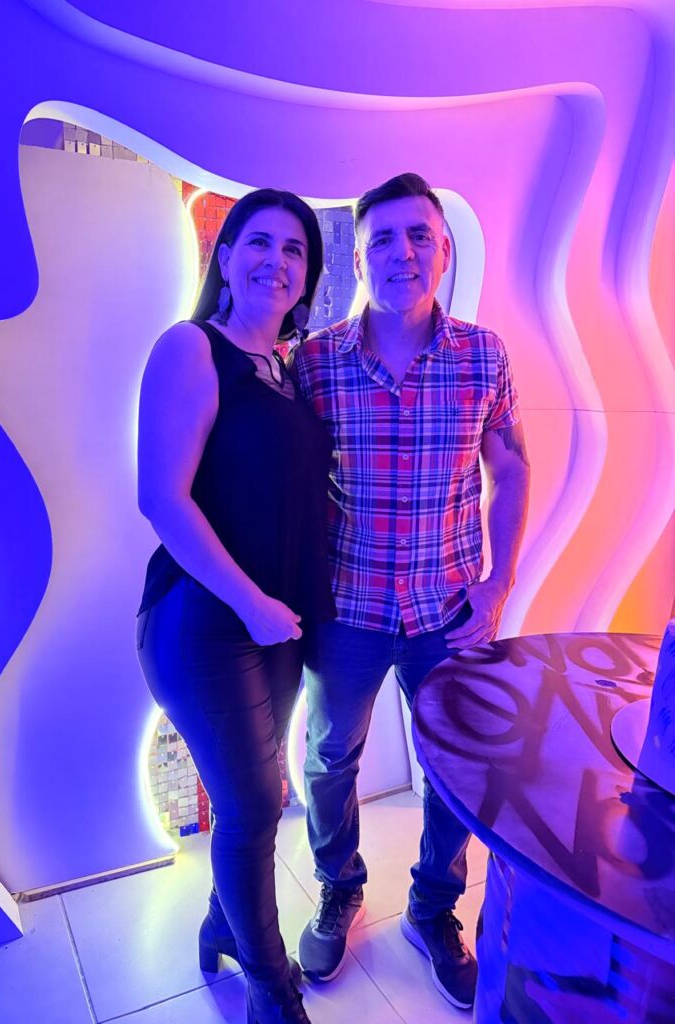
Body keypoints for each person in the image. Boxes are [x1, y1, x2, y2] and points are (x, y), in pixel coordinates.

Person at [288, 173, 530, 1010]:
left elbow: (510, 467)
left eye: (418, 235)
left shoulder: (484, 355)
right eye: (382, 239)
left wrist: (498, 585)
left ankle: (432, 908)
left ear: (443, 249)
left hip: (448, 612)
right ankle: (338, 887)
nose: (403, 252)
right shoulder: (315, 363)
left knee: (454, 769)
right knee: (330, 759)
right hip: (346, 610)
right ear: (359, 259)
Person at [136, 188, 335, 1024]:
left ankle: (222, 926)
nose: (276, 262)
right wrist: (252, 603)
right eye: (259, 242)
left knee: (256, 802)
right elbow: (162, 497)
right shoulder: (192, 347)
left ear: (307, 276)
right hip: (204, 621)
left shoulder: (286, 369)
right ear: (224, 256)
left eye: (295, 250)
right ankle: (271, 990)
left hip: (274, 623)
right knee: (253, 808)